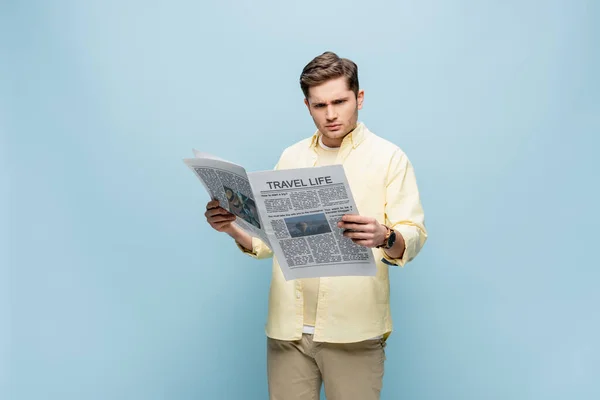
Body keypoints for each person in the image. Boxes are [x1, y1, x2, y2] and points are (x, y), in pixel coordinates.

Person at [204, 51, 428, 400]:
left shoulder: (389, 158)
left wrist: (386, 235)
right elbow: (270, 241)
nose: (331, 114)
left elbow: (413, 236)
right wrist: (232, 227)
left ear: (360, 98)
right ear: (307, 105)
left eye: (340, 101)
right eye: (319, 105)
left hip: (353, 330)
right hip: (288, 330)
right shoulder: (290, 156)